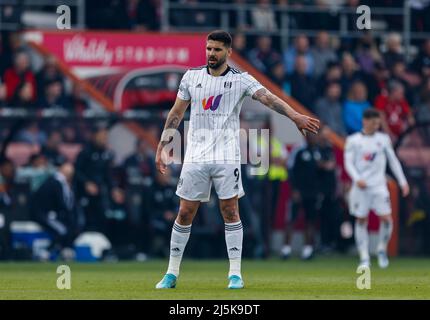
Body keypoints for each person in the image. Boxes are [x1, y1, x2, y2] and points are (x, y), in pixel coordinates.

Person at [154, 30, 320, 289]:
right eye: (209, 48)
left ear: (229, 52)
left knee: (230, 211)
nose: (211, 53)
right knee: (185, 212)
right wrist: (163, 145)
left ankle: (235, 274)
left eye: (217, 49)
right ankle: (171, 273)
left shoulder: (241, 80)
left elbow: (269, 98)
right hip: (196, 156)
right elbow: (176, 113)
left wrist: (295, 116)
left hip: (226, 157)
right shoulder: (191, 77)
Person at [344, 108, 410, 269]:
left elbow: (393, 161)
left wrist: (402, 181)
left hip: (379, 186)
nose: (376, 126)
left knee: (387, 219)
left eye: (378, 123)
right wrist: (357, 178)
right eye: (374, 123)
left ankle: (381, 249)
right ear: (365, 121)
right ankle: (364, 256)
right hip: (361, 187)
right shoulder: (353, 140)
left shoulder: (383, 139)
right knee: (361, 219)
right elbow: (348, 162)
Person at [30, 161, 76, 260]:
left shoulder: (54, 181)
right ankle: (46, 252)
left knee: (65, 229)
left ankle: (64, 250)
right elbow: (63, 203)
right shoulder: (57, 183)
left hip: (48, 214)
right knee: (62, 230)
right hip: (44, 214)